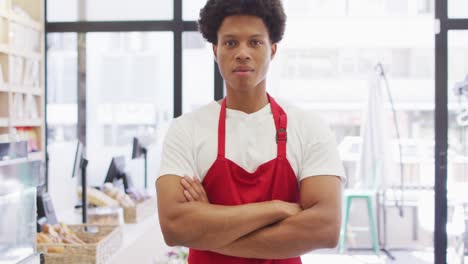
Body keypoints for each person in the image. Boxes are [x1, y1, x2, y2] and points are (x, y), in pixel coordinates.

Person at [156, 0, 345, 263]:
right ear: (215, 49)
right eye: (231, 43)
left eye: (255, 42)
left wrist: (208, 228)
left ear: (273, 50)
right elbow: (174, 226)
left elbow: (325, 229)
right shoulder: (186, 129)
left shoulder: (308, 127)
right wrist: (275, 209)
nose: (242, 53)